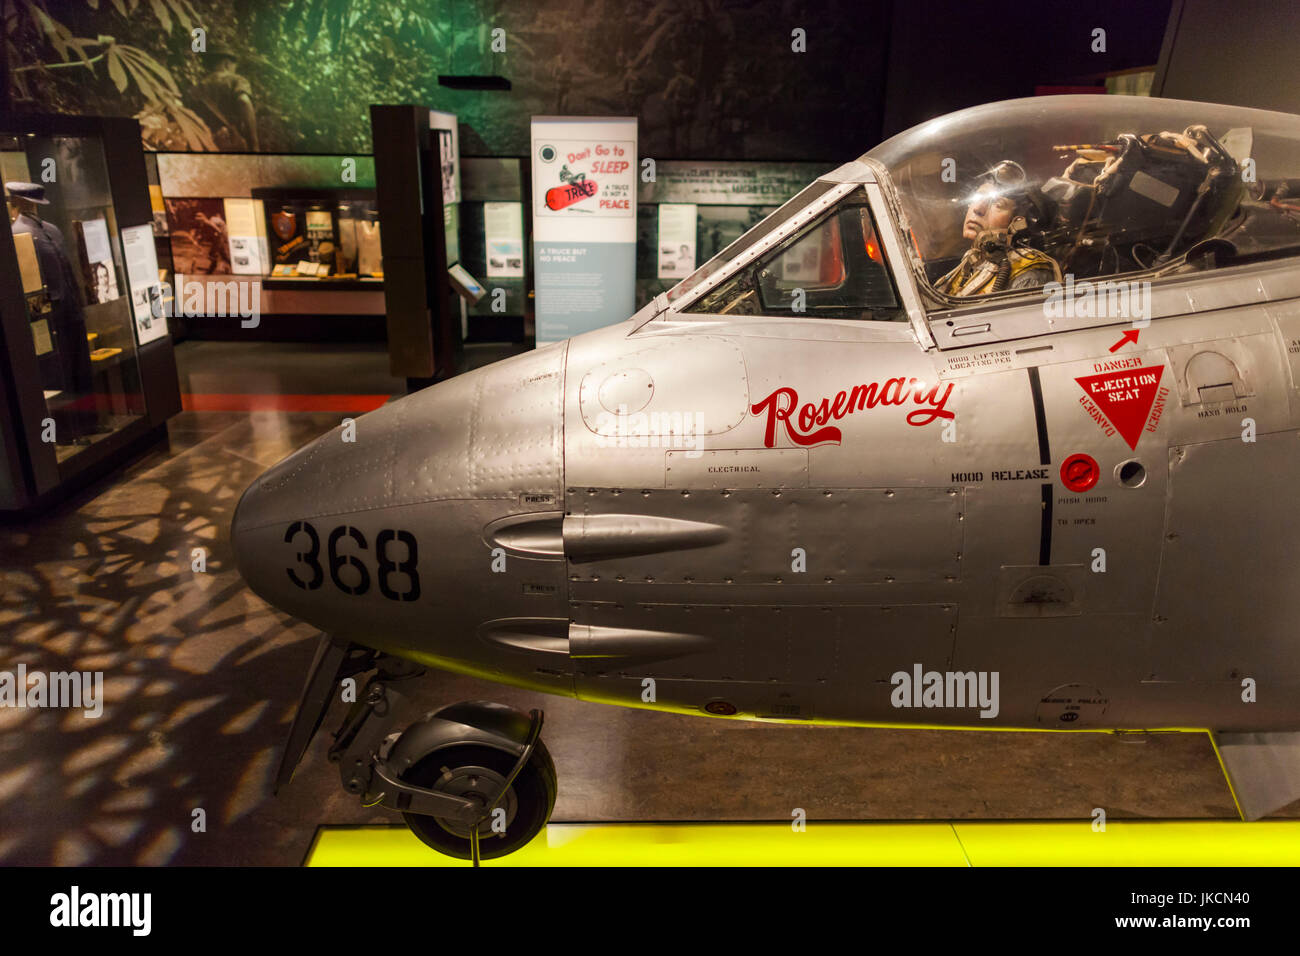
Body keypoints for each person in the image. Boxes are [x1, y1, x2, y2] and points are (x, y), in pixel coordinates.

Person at [7, 181, 99, 439]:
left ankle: (88, 422)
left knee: (80, 368)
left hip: (70, 310)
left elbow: (68, 271)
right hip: (50, 316)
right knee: (59, 373)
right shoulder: (17, 234)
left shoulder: (51, 230)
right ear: (20, 202)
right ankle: (68, 430)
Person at [937, 161, 1060, 296]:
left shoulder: (1030, 273)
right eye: (978, 197)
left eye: (997, 204)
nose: (978, 209)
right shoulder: (973, 260)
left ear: (1018, 222)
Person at [186, 48, 259, 151]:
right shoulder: (236, 80)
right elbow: (244, 101)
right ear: (227, 64)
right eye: (234, 66)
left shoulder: (197, 87)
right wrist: (254, 143)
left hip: (205, 142)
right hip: (231, 142)